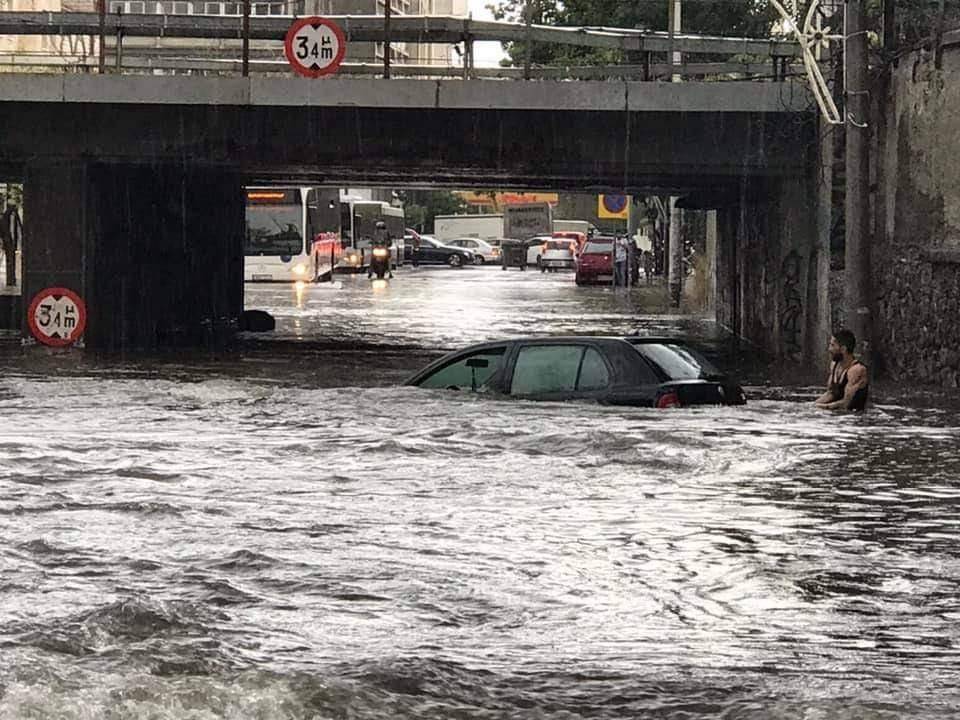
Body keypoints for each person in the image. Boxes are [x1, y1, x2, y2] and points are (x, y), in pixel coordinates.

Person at [815, 329, 869, 411]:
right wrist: (812, 406)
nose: (829, 349)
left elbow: (846, 404)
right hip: (836, 413)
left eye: (832, 345)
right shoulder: (834, 365)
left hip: (853, 417)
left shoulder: (856, 370)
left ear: (843, 349)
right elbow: (831, 393)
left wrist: (821, 407)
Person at [1, 201, 23, 287]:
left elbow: (19, 228)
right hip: (8, 242)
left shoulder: (14, 216)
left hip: (14, 241)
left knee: (12, 260)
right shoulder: (5, 217)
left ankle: (12, 279)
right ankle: (10, 280)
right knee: (10, 260)